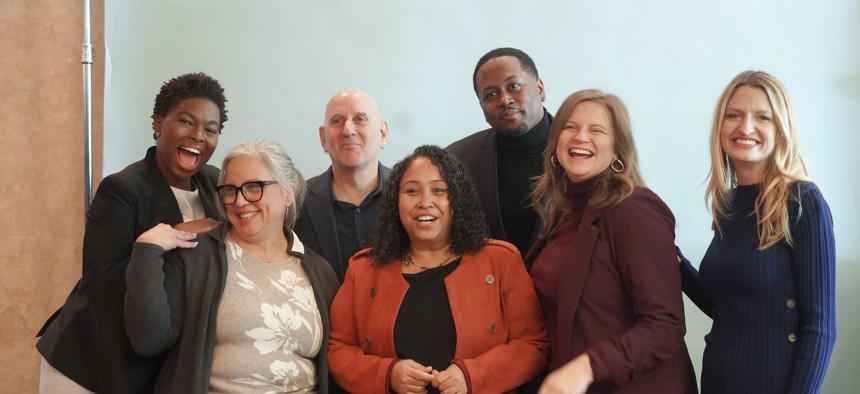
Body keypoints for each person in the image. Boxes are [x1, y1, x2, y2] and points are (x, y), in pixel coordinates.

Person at [36, 72, 228, 393]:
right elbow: (101, 281)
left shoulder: (215, 183)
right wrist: (159, 244)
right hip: (90, 362)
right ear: (158, 123)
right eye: (185, 122)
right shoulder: (123, 188)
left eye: (210, 129)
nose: (198, 136)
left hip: (156, 361)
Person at [328, 145, 548, 393]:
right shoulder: (364, 269)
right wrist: (387, 374)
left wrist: (472, 376)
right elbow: (338, 350)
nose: (425, 202)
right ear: (395, 201)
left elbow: (533, 345)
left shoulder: (501, 261)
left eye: (439, 190)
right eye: (412, 191)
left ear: (457, 199)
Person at [124, 140, 340, 393]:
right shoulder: (197, 256)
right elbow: (148, 340)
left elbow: (337, 358)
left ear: (288, 193)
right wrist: (147, 251)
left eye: (253, 187)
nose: (239, 201)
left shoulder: (320, 272)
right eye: (230, 190)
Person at [528, 90, 697, 393]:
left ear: (618, 150)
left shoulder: (633, 208)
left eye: (597, 130)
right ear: (555, 144)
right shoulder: (561, 211)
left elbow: (665, 325)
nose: (581, 137)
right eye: (571, 127)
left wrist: (585, 368)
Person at [680, 71, 836, 393]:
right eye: (733, 115)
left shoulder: (804, 202)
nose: (745, 127)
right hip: (717, 381)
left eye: (762, 117)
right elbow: (727, 306)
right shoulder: (729, 203)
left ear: (780, 129)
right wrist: (675, 263)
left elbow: (820, 327)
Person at [446, 47, 551, 258]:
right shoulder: (457, 159)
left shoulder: (583, 151)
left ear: (540, 89)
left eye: (514, 86)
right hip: (489, 287)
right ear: (482, 107)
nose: (504, 99)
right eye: (490, 95)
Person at [294, 87, 390, 282]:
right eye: (337, 121)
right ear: (323, 138)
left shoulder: (411, 197)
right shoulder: (295, 204)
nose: (348, 130)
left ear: (383, 133)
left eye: (360, 119)